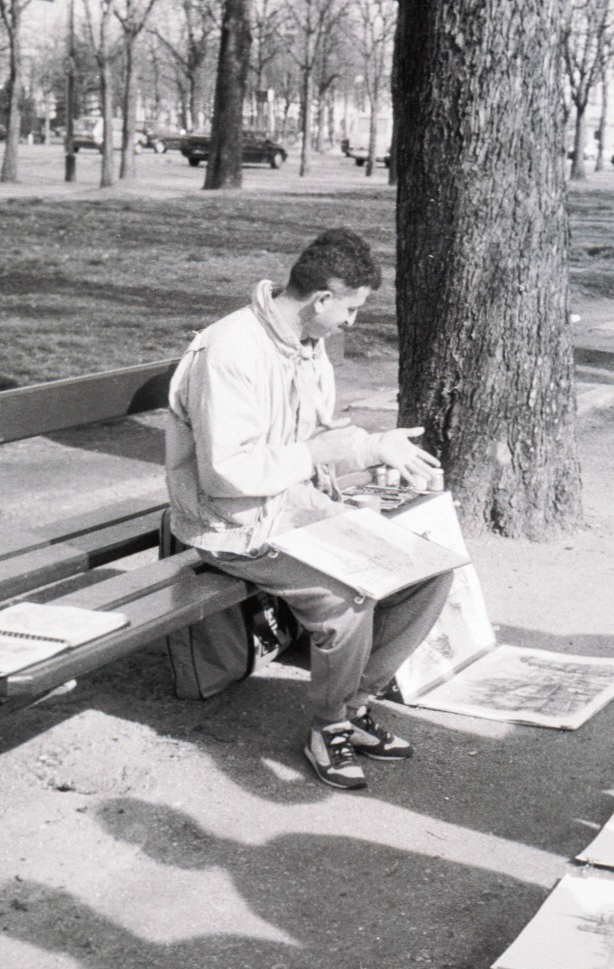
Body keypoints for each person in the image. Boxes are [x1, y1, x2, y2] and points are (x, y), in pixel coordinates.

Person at [163, 228, 454, 792]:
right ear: (322, 300)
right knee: (347, 599)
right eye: (351, 308)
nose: (352, 322)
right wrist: (314, 457)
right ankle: (327, 727)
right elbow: (225, 475)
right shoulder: (229, 351)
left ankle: (353, 705)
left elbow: (322, 436)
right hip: (229, 525)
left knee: (429, 571)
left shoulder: (305, 342)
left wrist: (375, 447)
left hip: (292, 508)